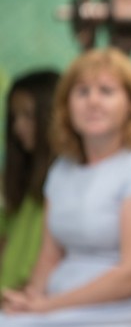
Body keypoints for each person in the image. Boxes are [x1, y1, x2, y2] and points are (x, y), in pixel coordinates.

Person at [0, 47, 131, 326]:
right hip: (60, 307)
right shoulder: (63, 169)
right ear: (66, 105)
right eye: (82, 92)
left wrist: (48, 306)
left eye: (106, 91)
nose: (93, 102)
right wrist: (30, 299)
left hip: (123, 313)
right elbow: (49, 257)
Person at [0, 70, 60, 291]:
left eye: (28, 115)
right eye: (14, 117)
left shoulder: (66, 181)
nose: (18, 127)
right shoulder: (18, 182)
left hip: (38, 300)